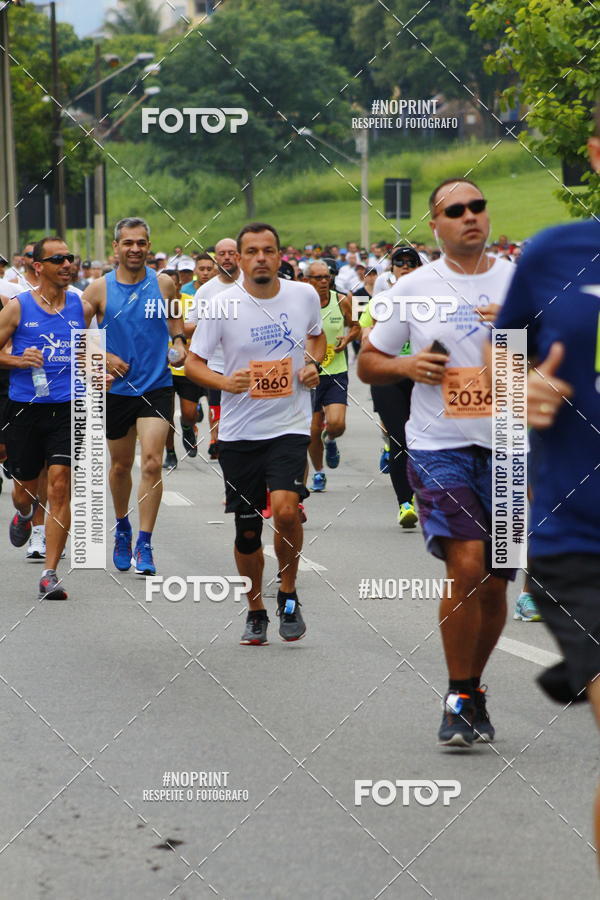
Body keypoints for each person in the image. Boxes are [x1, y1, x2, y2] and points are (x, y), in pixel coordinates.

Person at [358, 177, 516, 747]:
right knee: (468, 563)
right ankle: (456, 695)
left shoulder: (520, 280)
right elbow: (369, 363)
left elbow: (556, 352)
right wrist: (407, 368)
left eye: (478, 205)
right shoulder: (413, 289)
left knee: (498, 582)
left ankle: (473, 687)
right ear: (435, 224)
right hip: (437, 444)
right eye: (456, 210)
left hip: (510, 446)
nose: (470, 216)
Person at [488, 109, 600, 847]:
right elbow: (502, 362)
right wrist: (521, 388)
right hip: (583, 537)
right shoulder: (557, 254)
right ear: (594, 154)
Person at [185, 222, 325, 646]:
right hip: (240, 431)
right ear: (240, 258)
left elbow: (316, 339)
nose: (260, 257)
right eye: (252, 251)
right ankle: (255, 611)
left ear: (280, 255)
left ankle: (287, 592)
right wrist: (224, 383)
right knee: (247, 530)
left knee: (284, 510)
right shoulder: (221, 305)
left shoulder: (303, 296)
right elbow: (193, 363)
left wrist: (313, 364)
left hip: (289, 424)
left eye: (269, 250)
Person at [83, 217, 186, 577]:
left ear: (148, 245)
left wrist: (178, 343)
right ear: (116, 247)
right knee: (121, 466)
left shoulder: (164, 284)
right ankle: (122, 527)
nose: (135, 249)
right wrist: (104, 355)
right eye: (128, 243)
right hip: (115, 390)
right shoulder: (98, 290)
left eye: (141, 242)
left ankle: (145, 541)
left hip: (156, 384)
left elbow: (175, 321)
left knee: (153, 462)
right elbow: (74, 335)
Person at [0, 237, 89, 599]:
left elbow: (87, 347)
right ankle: (23, 515)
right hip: (25, 407)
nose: (68, 264)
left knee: (59, 485)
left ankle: (50, 573)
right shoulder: (17, 308)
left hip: (69, 404)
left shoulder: (81, 305)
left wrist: (100, 366)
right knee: (25, 492)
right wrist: (19, 361)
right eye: (59, 259)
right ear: (38, 267)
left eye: (71, 258)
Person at [359, 250, 423, 527]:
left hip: (422, 376)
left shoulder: (436, 300)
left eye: (411, 264)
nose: (406, 268)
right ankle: (405, 504)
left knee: (425, 440)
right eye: (400, 264)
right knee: (400, 440)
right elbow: (365, 338)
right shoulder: (380, 301)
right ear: (391, 269)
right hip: (388, 376)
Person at [186, 238, 243, 460]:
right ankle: (217, 441)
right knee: (218, 409)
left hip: (250, 364)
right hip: (217, 363)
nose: (227, 257)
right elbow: (188, 326)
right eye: (222, 254)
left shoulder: (252, 284)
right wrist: (211, 323)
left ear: (238, 256)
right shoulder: (206, 291)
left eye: (231, 253)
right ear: (216, 258)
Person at [306, 260, 359, 491]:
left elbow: (358, 325)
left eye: (326, 277)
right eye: (317, 278)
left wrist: (347, 339)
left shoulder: (342, 300)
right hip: (309, 375)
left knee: (337, 424)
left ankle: (331, 440)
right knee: (312, 430)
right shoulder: (299, 304)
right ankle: (318, 473)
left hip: (336, 371)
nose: (323, 282)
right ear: (306, 280)